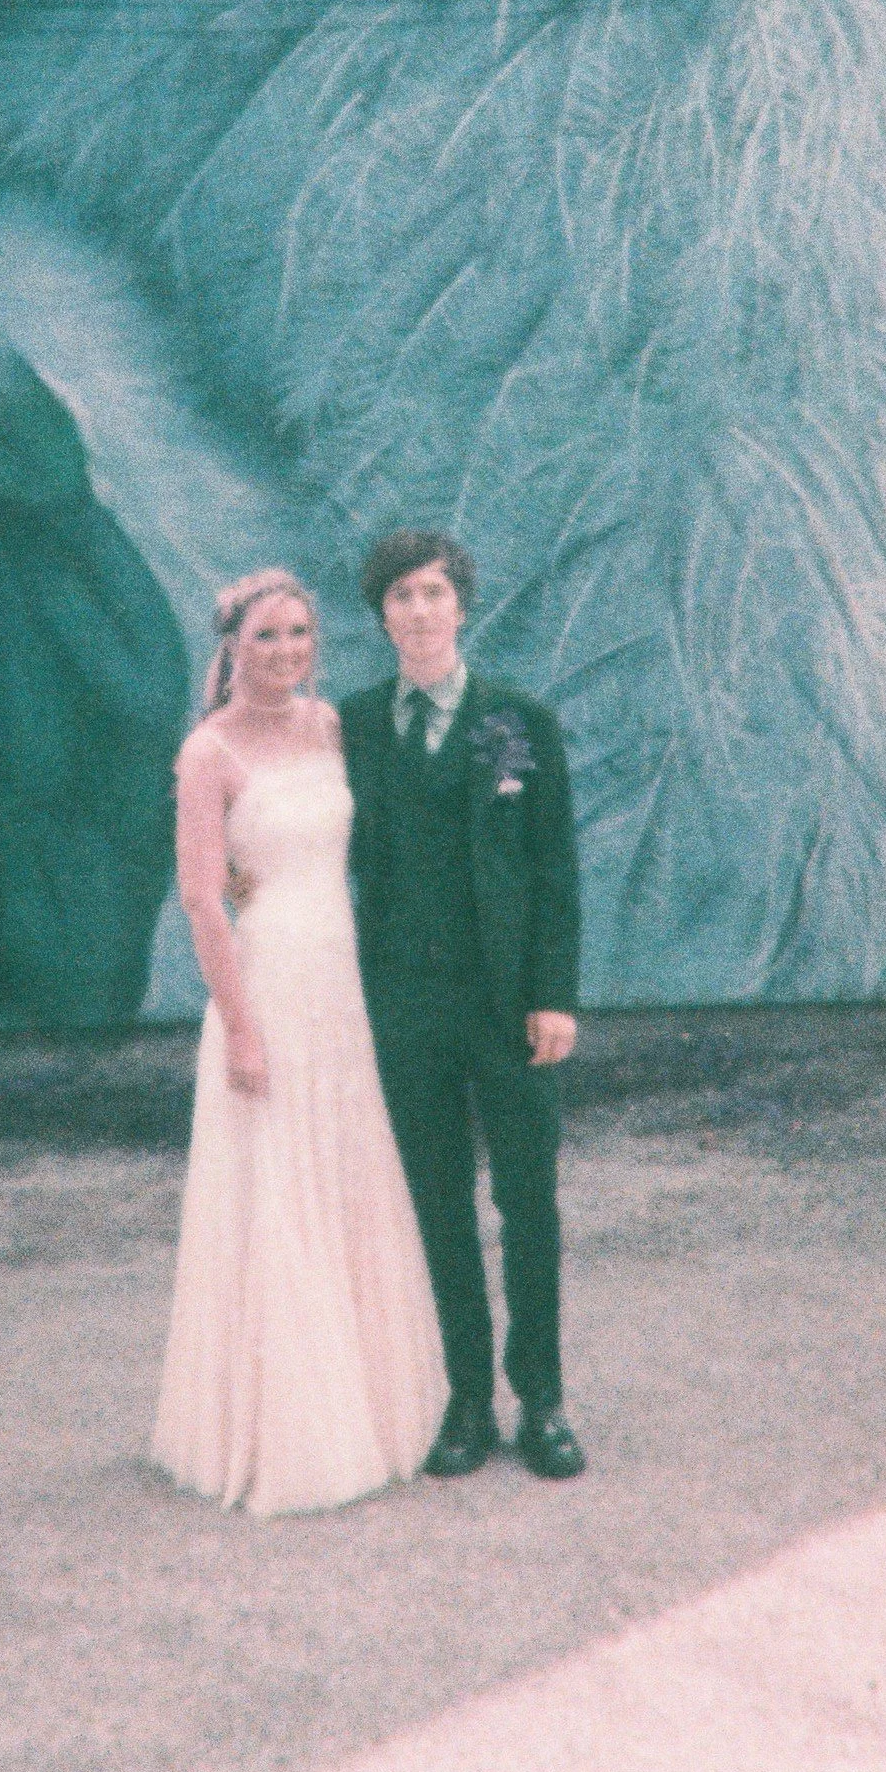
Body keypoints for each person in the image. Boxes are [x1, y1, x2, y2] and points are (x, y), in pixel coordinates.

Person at [151, 568, 447, 1515]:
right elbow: (205, 896)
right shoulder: (208, 752)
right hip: (268, 985)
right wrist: (239, 1025)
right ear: (230, 646)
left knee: (342, 1171)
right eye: (266, 636)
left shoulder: (328, 729)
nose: (285, 653)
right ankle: (292, 1428)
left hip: (339, 983)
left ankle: (373, 1398)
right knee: (277, 1187)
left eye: (300, 634)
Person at [339, 532, 586, 1481]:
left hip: (507, 1006)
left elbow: (554, 867)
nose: (417, 610)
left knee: (526, 1200)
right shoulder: (355, 725)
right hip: (404, 1004)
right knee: (436, 1205)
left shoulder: (519, 722)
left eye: (433, 591)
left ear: (461, 604)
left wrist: (554, 995)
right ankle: (467, 1399)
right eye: (399, 595)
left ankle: (544, 1399)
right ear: (382, 614)